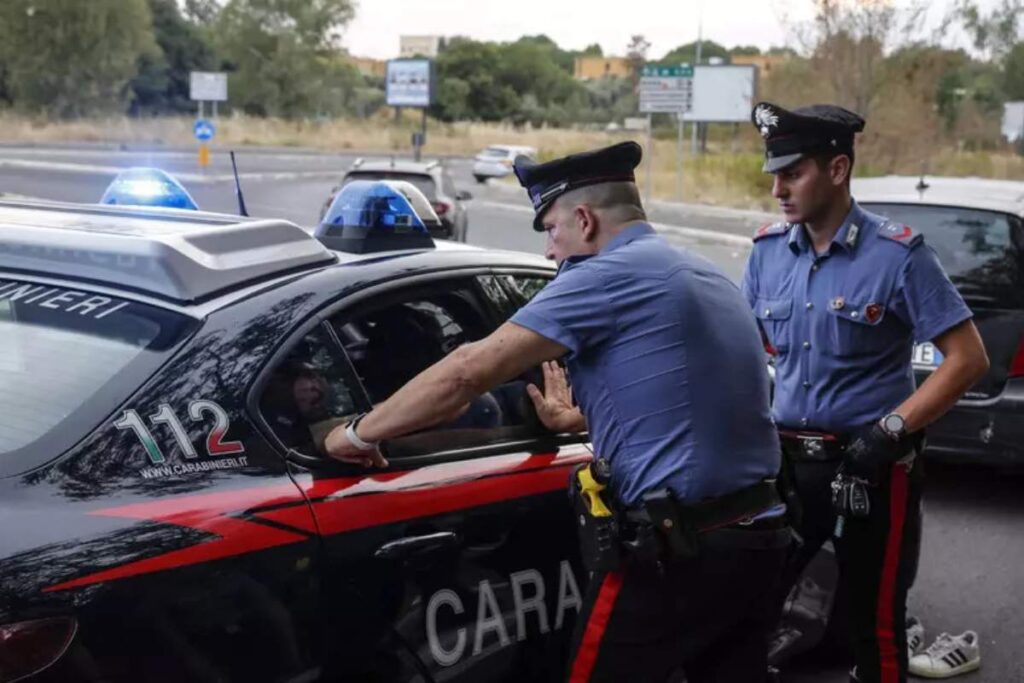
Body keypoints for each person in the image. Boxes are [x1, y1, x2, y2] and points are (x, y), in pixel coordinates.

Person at [325, 141, 790, 682]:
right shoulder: (700, 272)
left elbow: (467, 373)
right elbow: (694, 403)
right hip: (758, 536)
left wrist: (358, 433)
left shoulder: (601, 277)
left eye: (551, 229)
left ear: (585, 219)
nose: (549, 251)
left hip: (682, 554)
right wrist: (578, 422)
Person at [744, 101, 990, 683]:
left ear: (838, 169)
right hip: (786, 467)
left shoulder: (897, 256)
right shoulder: (767, 253)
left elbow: (968, 359)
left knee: (873, 623)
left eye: (793, 172)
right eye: (774, 174)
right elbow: (746, 351)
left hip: (871, 469)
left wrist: (889, 432)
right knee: (751, 611)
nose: (778, 188)